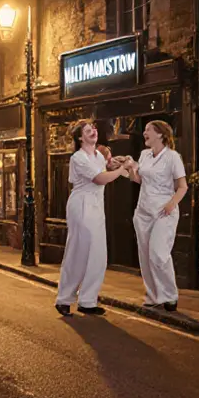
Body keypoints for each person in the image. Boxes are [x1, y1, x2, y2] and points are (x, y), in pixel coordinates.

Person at [55, 121, 129, 316]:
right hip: (81, 205)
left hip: (96, 205)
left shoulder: (98, 155)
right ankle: (64, 298)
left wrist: (118, 162)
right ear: (80, 137)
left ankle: (87, 301)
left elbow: (107, 166)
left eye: (94, 129)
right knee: (78, 252)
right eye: (88, 131)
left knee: (98, 255)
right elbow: (99, 179)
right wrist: (120, 171)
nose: (93, 132)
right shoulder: (78, 158)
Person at [116, 120, 188, 312]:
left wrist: (171, 204)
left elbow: (182, 186)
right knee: (146, 256)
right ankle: (153, 296)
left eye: (148, 130)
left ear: (160, 134)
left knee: (159, 254)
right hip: (143, 211)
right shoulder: (144, 155)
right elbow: (138, 179)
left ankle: (170, 296)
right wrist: (130, 167)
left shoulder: (173, 157)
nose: (144, 133)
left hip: (164, 212)